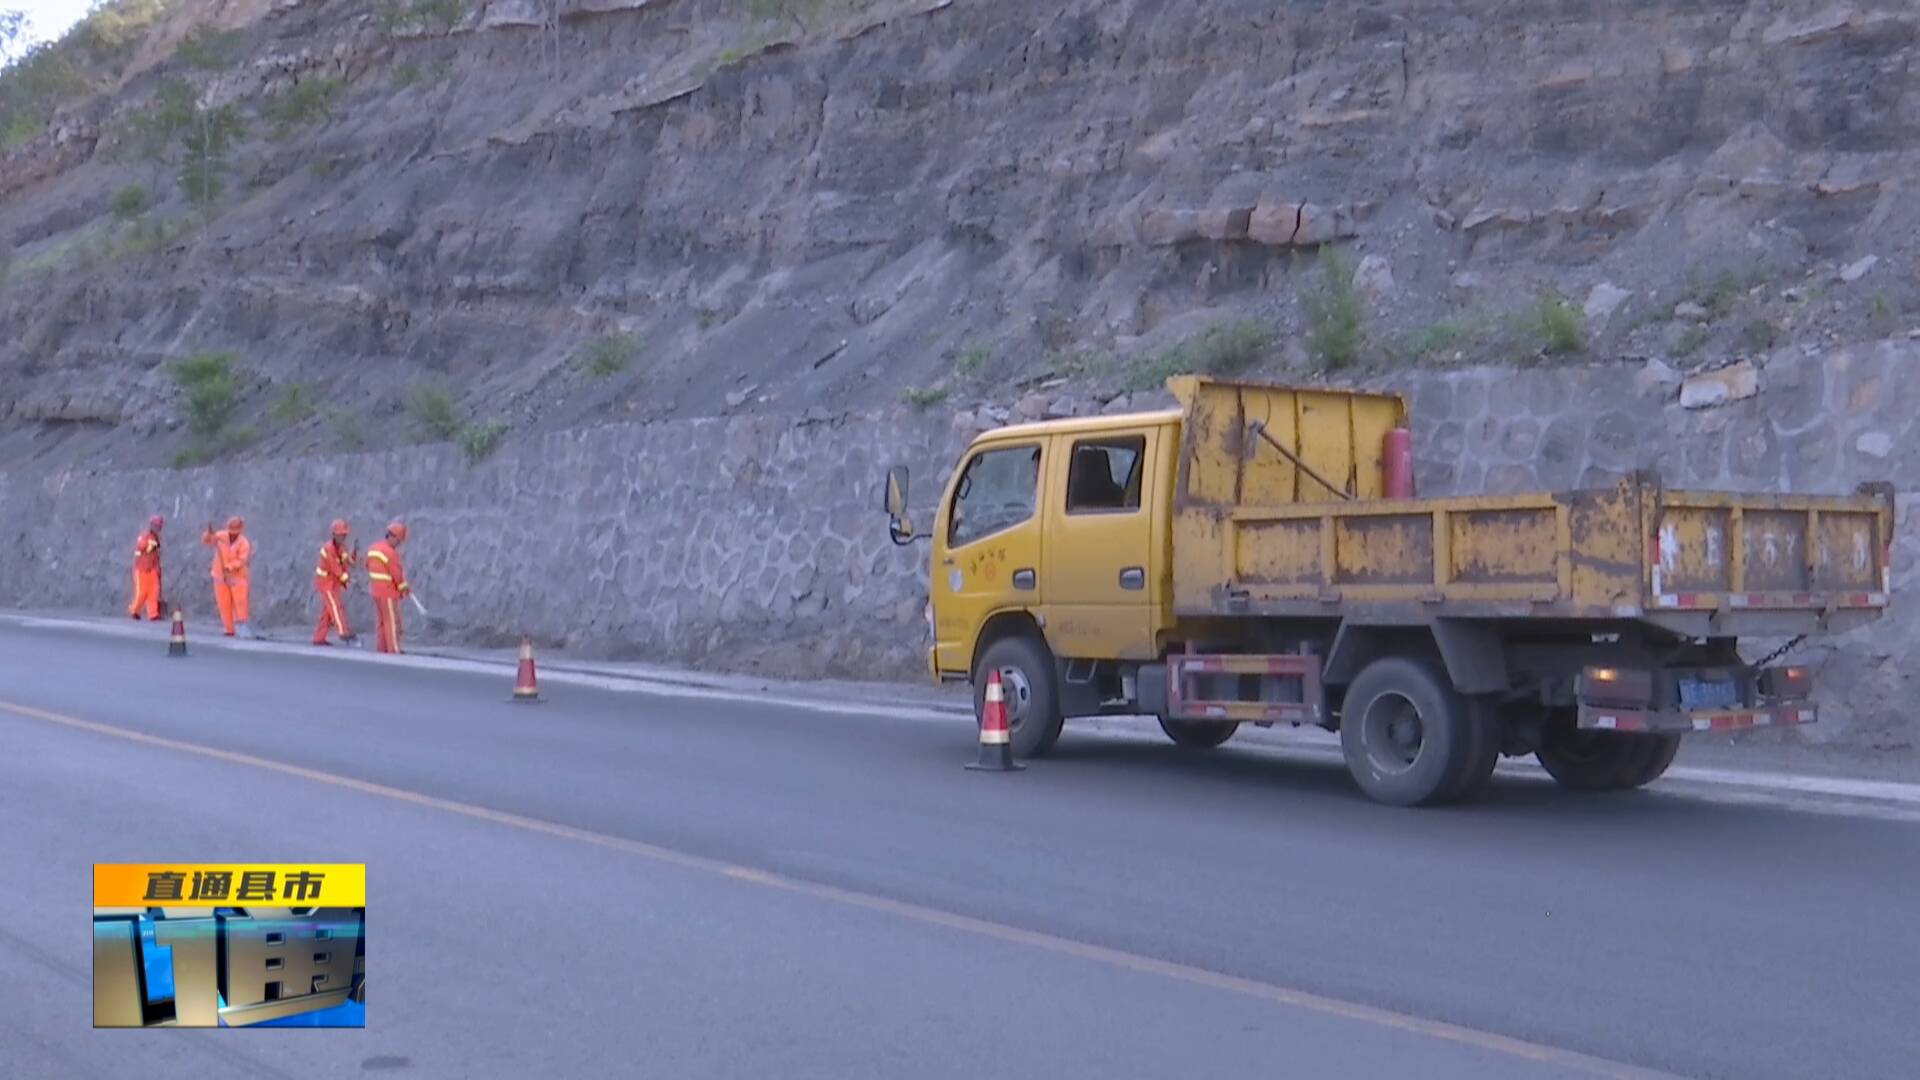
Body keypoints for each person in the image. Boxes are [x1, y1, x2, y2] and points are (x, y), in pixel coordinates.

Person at [201, 516, 255, 638]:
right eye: (231, 531)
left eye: (235, 532)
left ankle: (242, 627)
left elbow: (242, 560)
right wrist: (208, 535)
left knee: (240, 604)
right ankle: (229, 629)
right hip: (220, 577)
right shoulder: (221, 536)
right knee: (223, 604)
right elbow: (207, 541)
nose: (232, 534)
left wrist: (230, 567)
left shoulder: (244, 543)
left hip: (237, 578)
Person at [366, 521, 410, 654]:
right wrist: (403, 587)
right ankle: (393, 648)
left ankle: (382, 647)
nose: (399, 544)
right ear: (393, 536)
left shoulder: (372, 549)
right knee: (391, 621)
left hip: (375, 590)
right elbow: (396, 574)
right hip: (388, 592)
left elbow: (367, 565)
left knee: (381, 621)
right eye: (399, 540)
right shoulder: (390, 553)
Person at [312, 519, 358, 647]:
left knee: (327, 612)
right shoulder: (328, 548)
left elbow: (348, 561)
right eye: (340, 535)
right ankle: (343, 632)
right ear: (334, 535)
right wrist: (346, 578)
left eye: (344, 535)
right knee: (335, 607)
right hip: (325, 582)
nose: (343, 537)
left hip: (333, 582)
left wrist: (354, 554)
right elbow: (335, 567)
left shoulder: (341, 547)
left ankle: (318, 638)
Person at [127, 516, 164, 621]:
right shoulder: (145, 536)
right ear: (151, 525)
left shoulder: (155, 539)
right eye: (156, 525)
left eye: (159, 526)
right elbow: (141, 548)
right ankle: (134, 610)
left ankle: (153, 614)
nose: (158, 528)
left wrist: (157, 569)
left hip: (152, 569)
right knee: (141, 592)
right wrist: (150, 544)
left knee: (154, 591)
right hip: (141, 569)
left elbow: (155, 556)